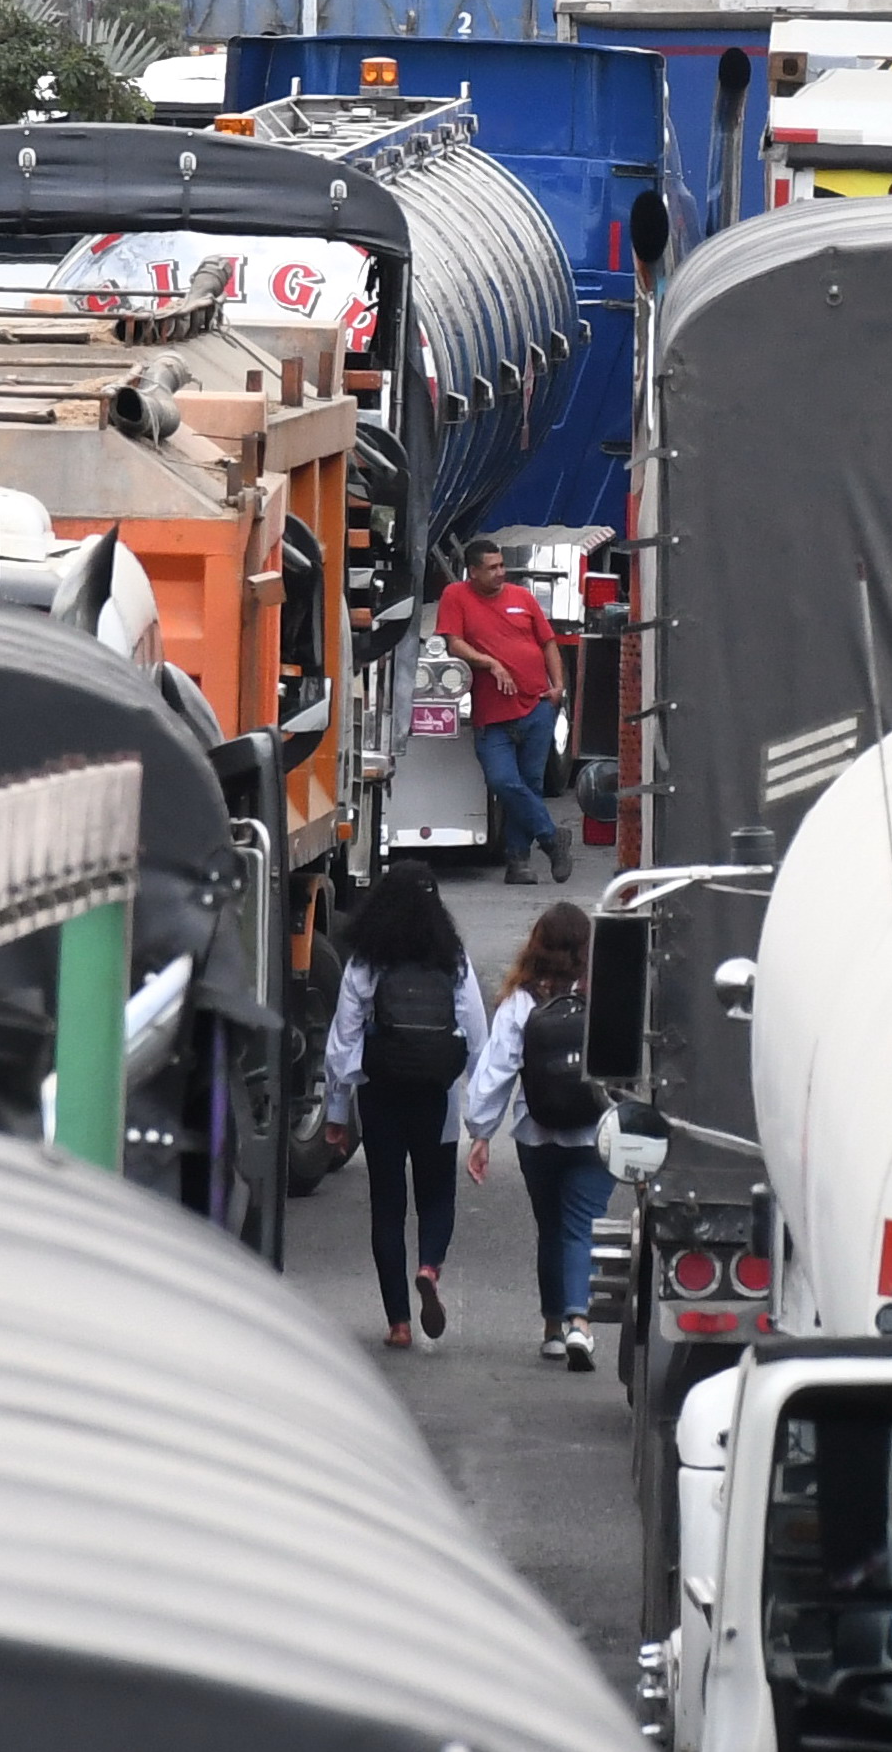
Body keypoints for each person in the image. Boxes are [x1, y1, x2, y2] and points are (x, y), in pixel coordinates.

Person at [322, 867, 488, 1350]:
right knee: (438, 1197)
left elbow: (342, 1041)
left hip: (381, 1093)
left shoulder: (368, 961)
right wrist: (482, 1123)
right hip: (437, 1097)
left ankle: (398, 1322)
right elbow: (477, 1036)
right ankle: (429, 1267)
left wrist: (336, 1111)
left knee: (387, 1206)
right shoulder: (451, 958)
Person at [465, 900, 614, 1372]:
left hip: (536, 1130)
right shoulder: (605, 994)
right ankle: (579, 1321)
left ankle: (553, 1328)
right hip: (594, 1133)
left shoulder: (522, 1000)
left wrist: (481, 1132)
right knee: (581, 1225)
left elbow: (496, 1070)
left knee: (550, 1227)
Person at [436, 538, 577, 883]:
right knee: (502, 779)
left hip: (536, 707)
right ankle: (551, 837)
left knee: (529, 783)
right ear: (472, 572)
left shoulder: (522, 597)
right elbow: (454, 642)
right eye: (493, 567)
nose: (502, 572)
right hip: (493, 716)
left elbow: (548, 643)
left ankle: (518, 863)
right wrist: (491, 664)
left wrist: (558, 688)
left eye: (502, 565)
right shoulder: (456, 596)